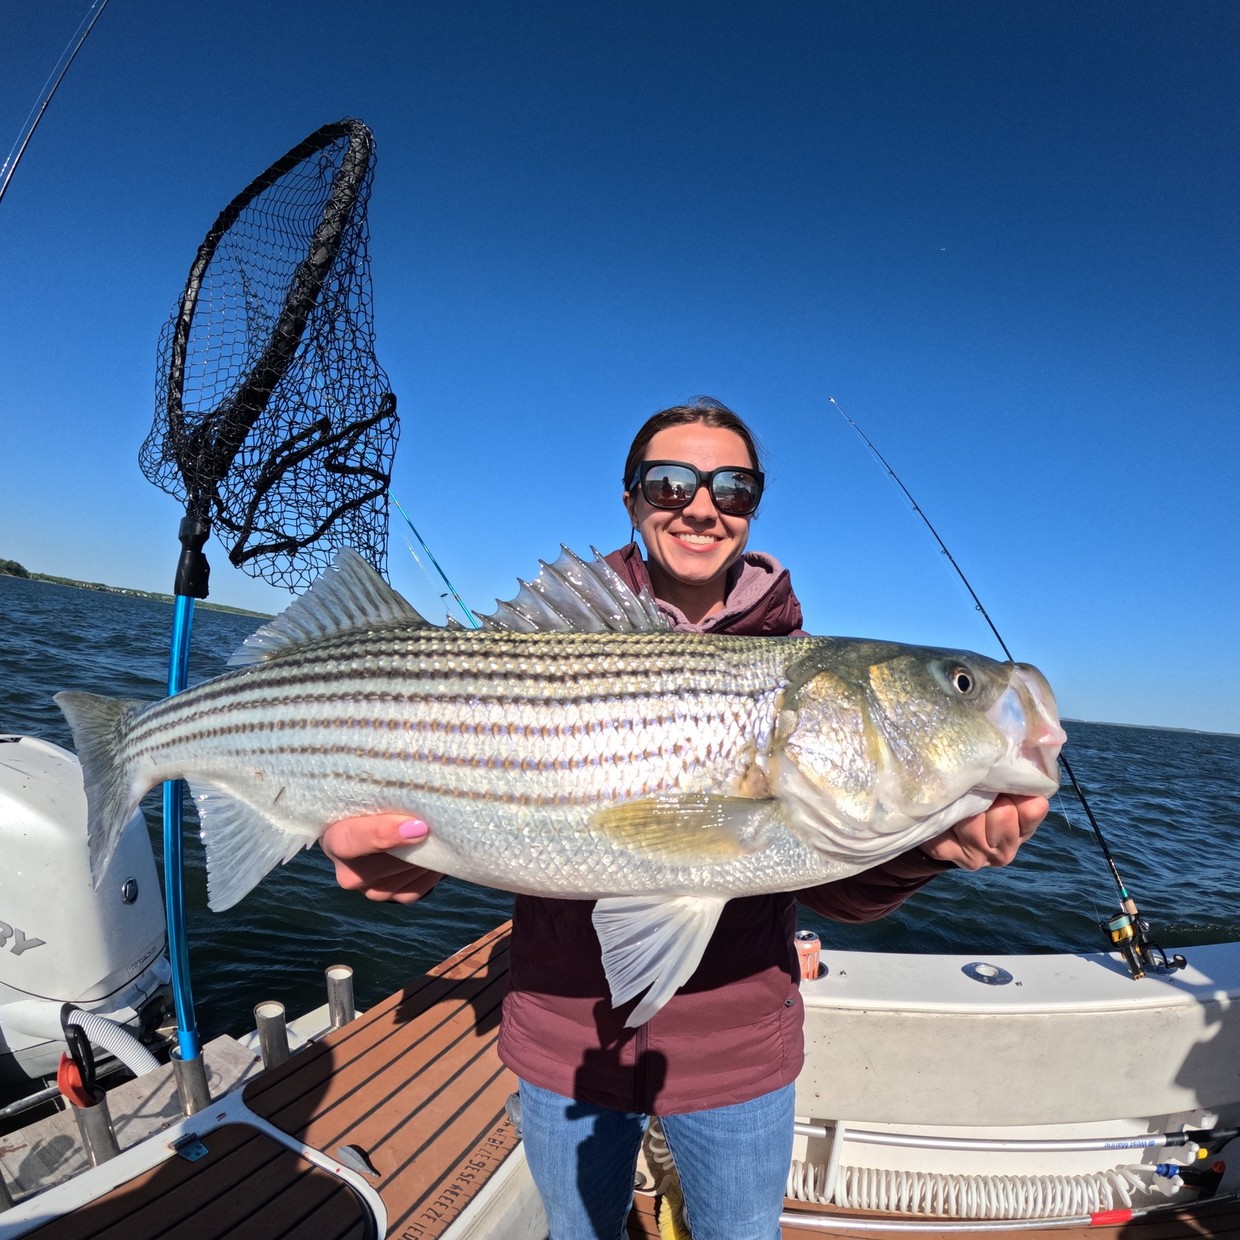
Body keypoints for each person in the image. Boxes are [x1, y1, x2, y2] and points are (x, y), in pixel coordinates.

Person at [321, 398, 1048, 1240]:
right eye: (670, 483)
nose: (701, 506)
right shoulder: (566, 637)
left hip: (739, 1050)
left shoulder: (799, 659)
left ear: (752, 509)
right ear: (631, 499)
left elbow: (841, 891)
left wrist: (931, 847)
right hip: (563, 1041)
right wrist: (368, 837)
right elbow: (414, 804)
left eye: (734, 488)